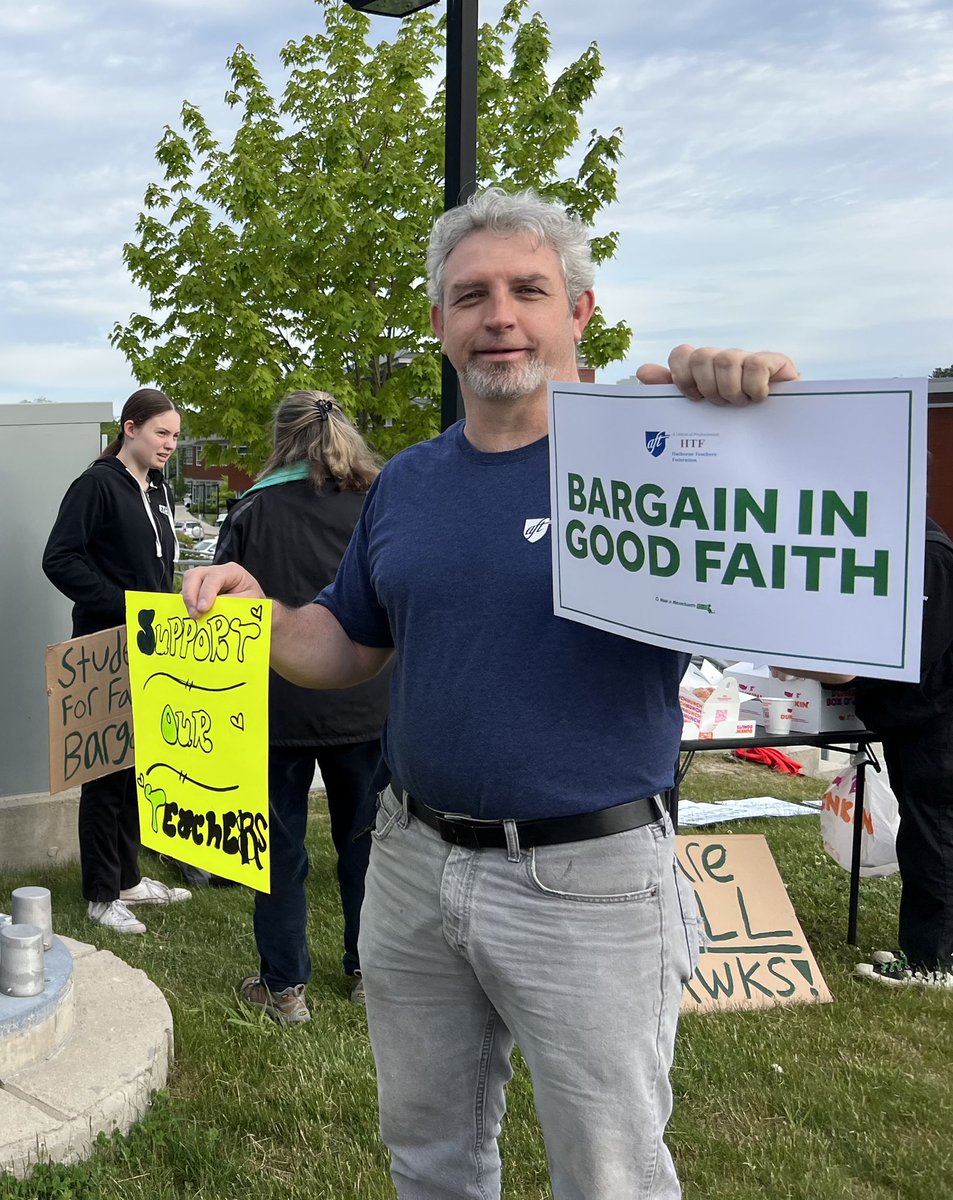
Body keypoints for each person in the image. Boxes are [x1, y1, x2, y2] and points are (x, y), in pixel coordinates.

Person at [183, 187, 799, 1199]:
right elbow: (346, 643)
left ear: (578, 314)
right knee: (427, 1156)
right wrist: (258, 613)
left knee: (610, 1176)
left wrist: (756, 420)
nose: (498, 315)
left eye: (527, 290)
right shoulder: (408, 483)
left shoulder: (661, 465)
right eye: (469, 295)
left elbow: (790, 574)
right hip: (412, 866)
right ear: (438, 325)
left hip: (587, 880)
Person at [214, 390, 390, 1021]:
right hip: (364, 703)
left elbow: (218, 609)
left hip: (273, 708)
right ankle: (370, 971)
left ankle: (285, 987)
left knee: (277, 849)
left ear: (280, 439)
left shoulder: (251, 512)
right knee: (365, 842)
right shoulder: (379, 505)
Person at [776, 515, 953, 990]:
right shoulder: (898, 549)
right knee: (928, 830)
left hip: (934, 720)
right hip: (913, 716)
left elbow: (907, 656)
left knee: (933, 834)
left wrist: (822, 668)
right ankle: (931, 948)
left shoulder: (928, 554)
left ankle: (932, 962)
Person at [43, 388, 192, 934]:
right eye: (162, 433)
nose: (170, 445)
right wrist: (122, 604)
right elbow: (58, 558)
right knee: (104, 769)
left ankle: (128, 878)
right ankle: (101, 895)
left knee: (137, 765)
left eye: (175, 436)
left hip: (154, 647)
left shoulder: (158, 491)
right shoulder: (96, 485)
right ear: (130, 428)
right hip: (104, 647)